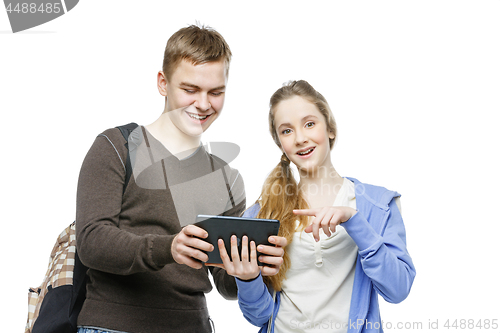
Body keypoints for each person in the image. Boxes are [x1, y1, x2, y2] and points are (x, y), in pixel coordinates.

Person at [75, 24, 286, 333]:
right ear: (163, 83)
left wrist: (250, 271)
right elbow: (92, 242)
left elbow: (225, 282)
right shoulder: (116, 146)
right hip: (112, 327)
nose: (203, 104)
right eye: (190, 90)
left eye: (215, 92)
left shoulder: (226, 178)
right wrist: (168, 247)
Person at [216, 80, 416, 332]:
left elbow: (398, 290)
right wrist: (248, 278)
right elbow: (259, 316)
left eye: (309, 124)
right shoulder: (262, 214)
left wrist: (354, 222)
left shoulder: (379, 205)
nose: (300, 138)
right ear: (281, 145)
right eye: (287, 131)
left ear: (330, 129)